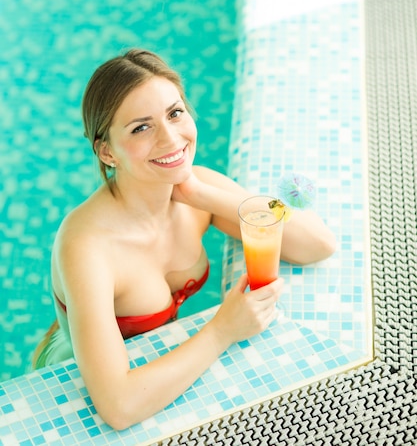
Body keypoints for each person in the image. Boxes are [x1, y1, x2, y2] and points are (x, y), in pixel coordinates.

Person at [33, 48, 336, 430]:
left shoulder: (197, 190)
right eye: (141, 127)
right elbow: (118, 407)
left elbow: (317, 245)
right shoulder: (87, 246)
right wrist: (223, 329)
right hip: (77, 375)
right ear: (107, 151)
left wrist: (206, 196)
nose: (171, 138)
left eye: (175, 113)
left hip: (159, 360)